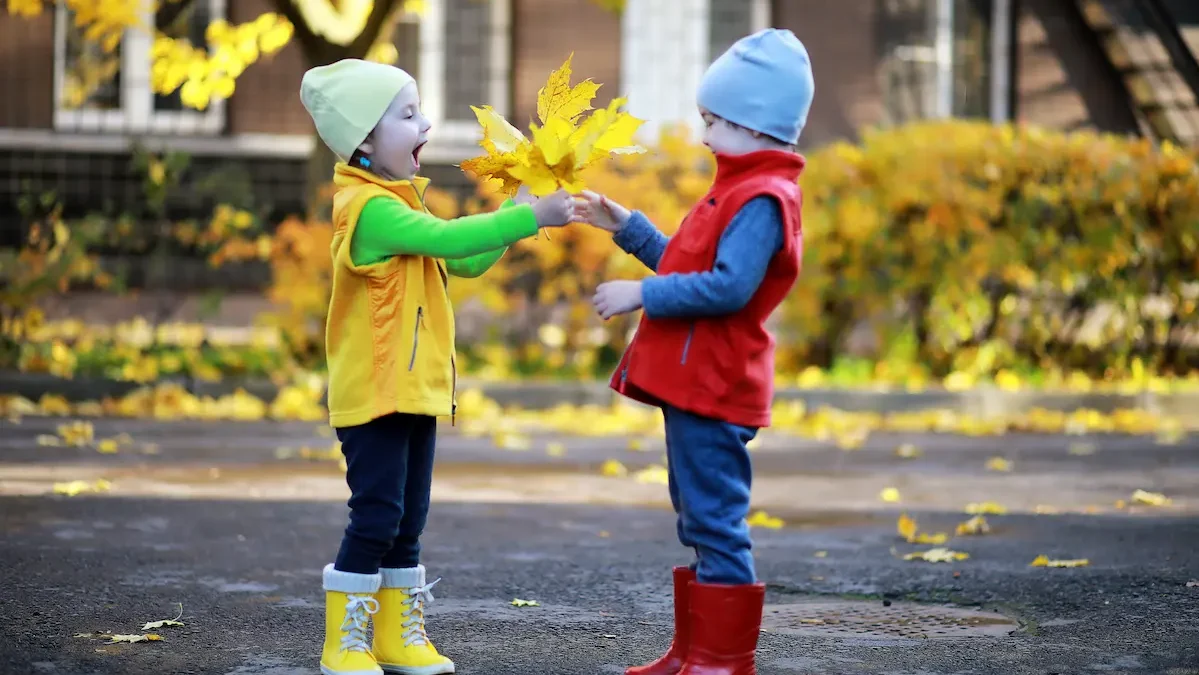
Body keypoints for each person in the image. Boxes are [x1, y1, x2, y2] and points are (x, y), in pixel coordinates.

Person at [299, 59, 575, 675]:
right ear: (364, 140)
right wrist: (531, 216)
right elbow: (450, 239)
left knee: (409, 520)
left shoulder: (404, 206)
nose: (425, 123)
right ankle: (343, 642)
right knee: (377, 514)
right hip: (374, 393)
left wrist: (516, 218)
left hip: (416, 390)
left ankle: (397, 637)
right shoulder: (368, 209)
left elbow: (466, 260)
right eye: (408, 115)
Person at [577, 28, 815, 675]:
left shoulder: (763, 199)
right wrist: (624, 225)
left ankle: (724, 660)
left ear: (756, 125)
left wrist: (642, 296)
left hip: (716, 385)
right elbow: (684, 260)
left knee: (716, 518)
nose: (705, 135)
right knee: (696, 515)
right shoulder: (734, 187)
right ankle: (695, 651)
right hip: (694, 386)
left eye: (714, 122)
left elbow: (728, 287)